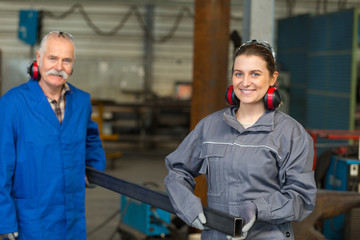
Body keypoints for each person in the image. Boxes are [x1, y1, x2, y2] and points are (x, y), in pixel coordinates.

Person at [164, 40, 316, 239]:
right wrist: (186, 204)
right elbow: (178, 169)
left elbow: (302, 197)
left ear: (272, 78)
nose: (245, 82)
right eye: (239, 73)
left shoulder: (291, 134)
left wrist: (258, 208)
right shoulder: (209, 127)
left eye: (255, 74)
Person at [0, 31, 106, 240]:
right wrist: (4, 220)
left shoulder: (81, 102)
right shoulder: (13, 103)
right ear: (39, 58)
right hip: (30, 220)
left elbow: (91, 136)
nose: (59, 67)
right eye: (53, 58)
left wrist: (94, 168)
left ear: (73, 63)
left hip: (71, 217)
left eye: (66, 60)